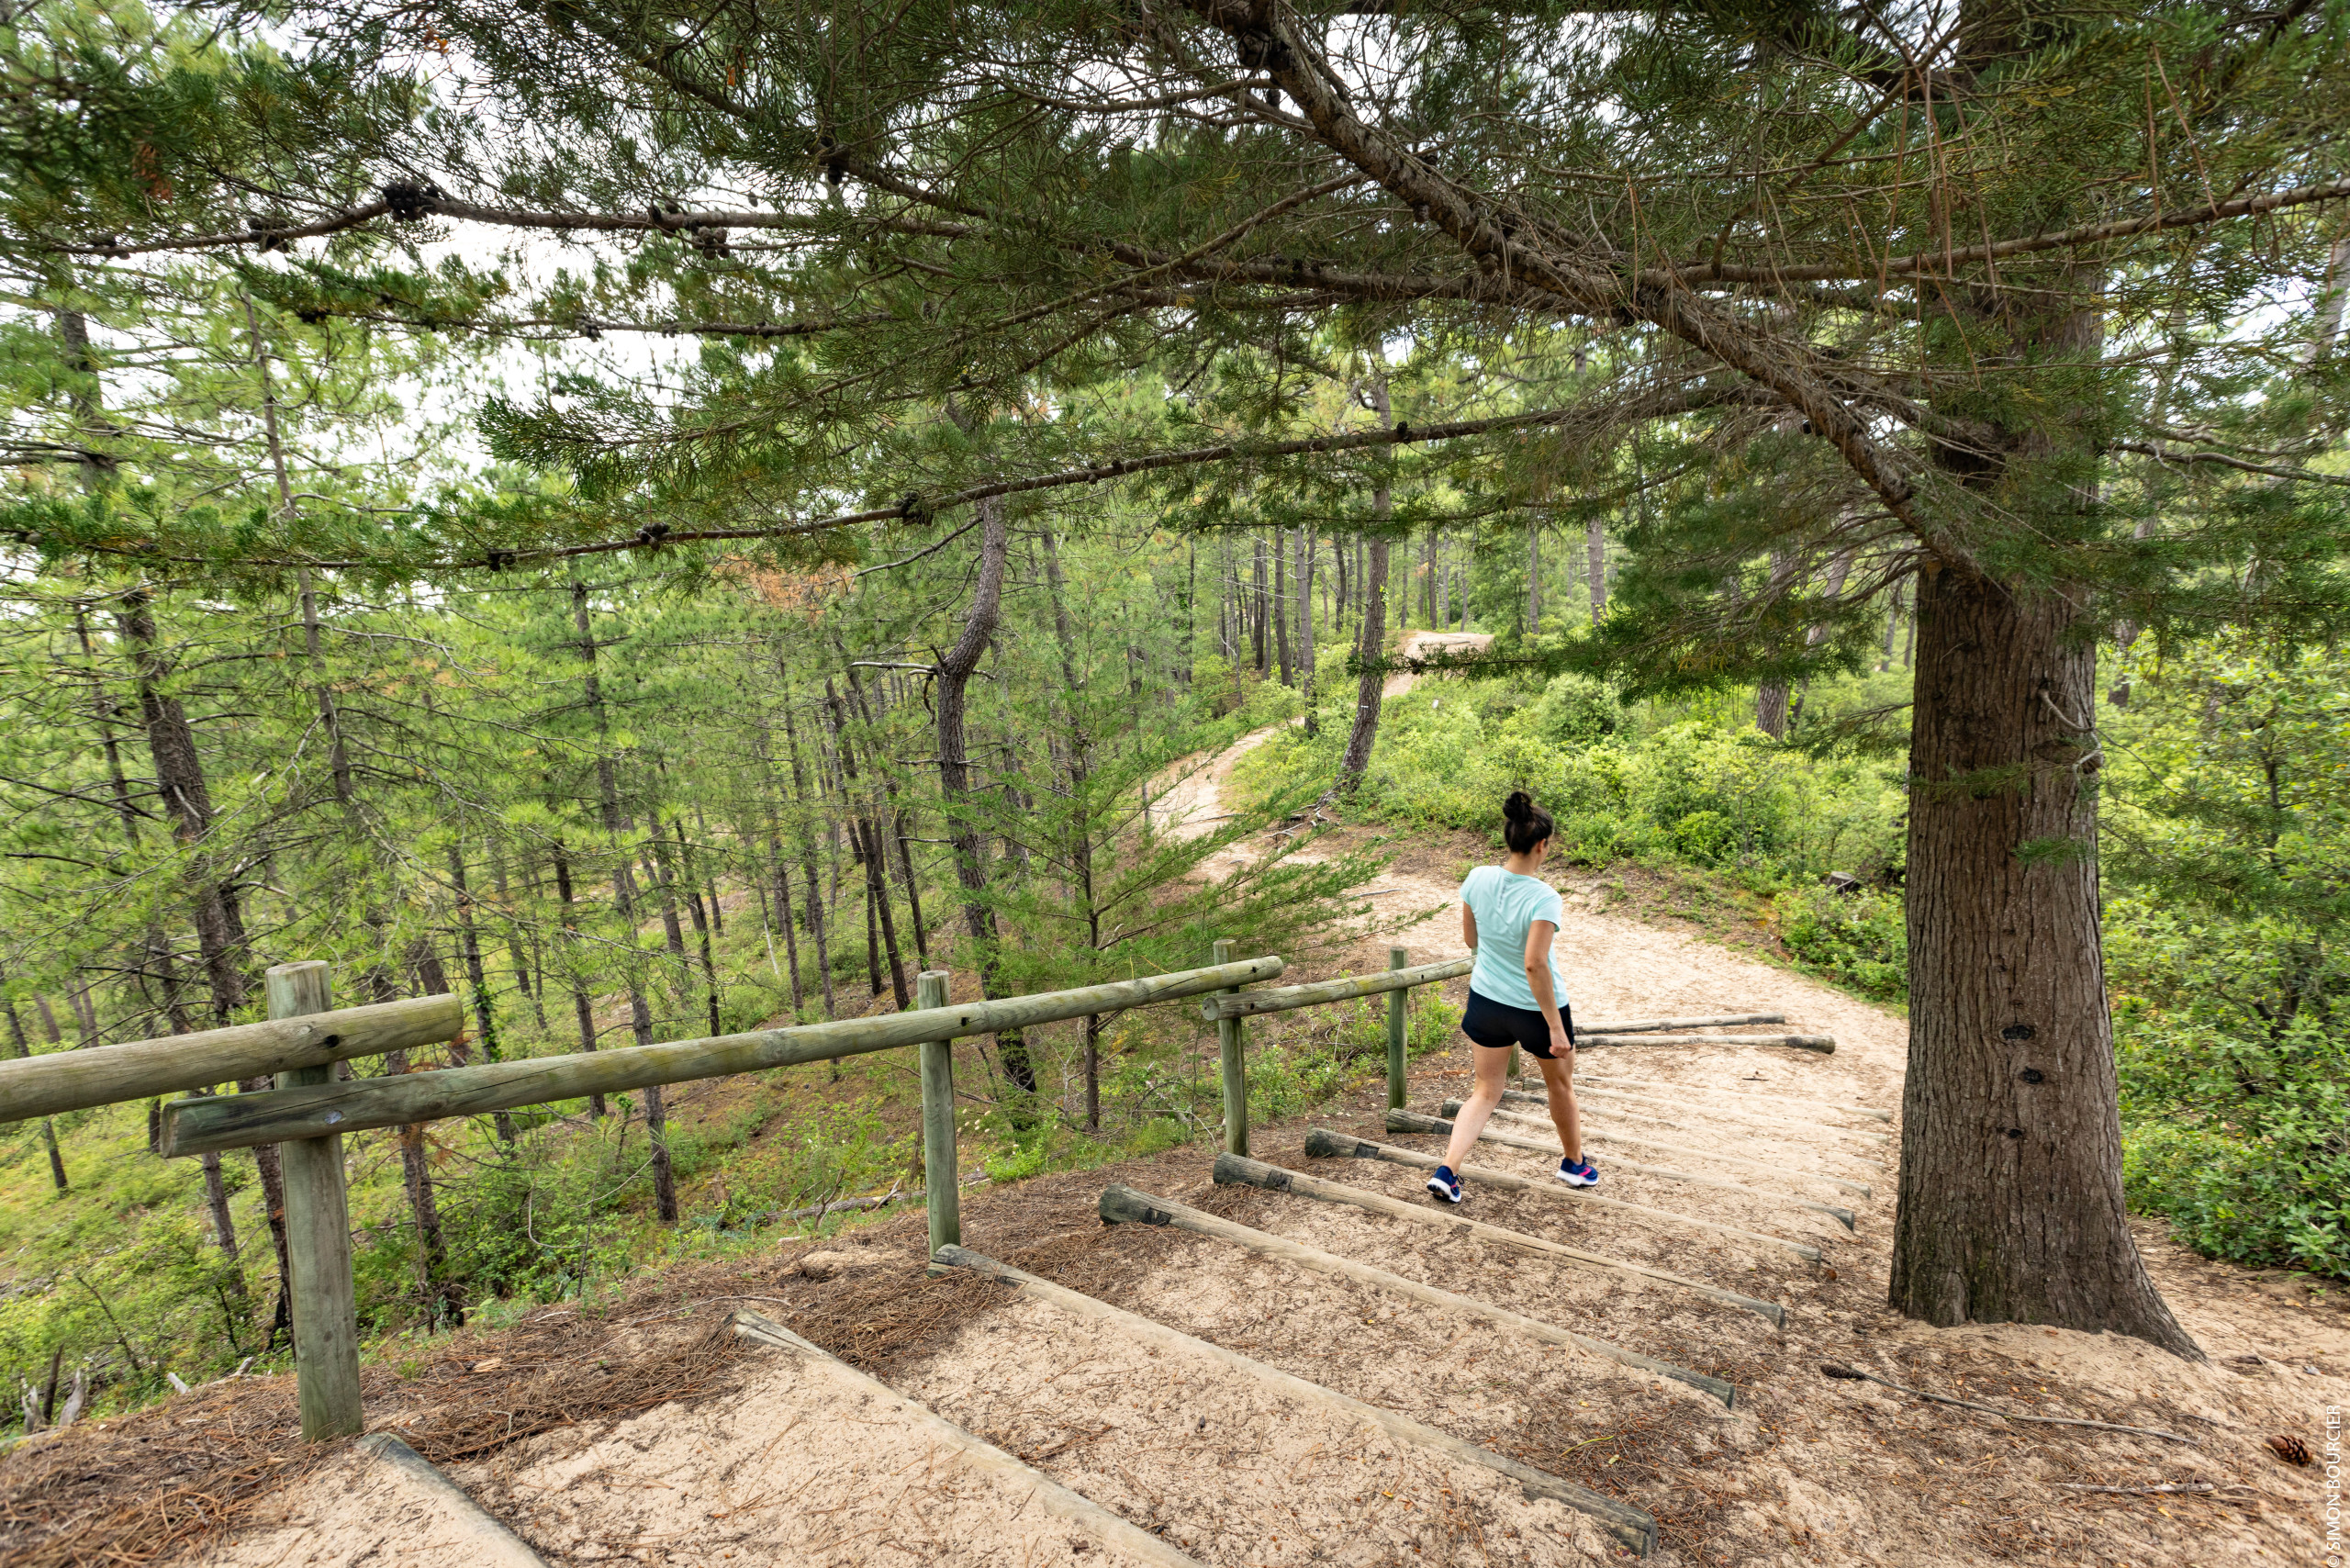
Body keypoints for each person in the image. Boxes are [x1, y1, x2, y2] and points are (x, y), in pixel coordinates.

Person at [1425, 790, 1597, 1204]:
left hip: (1486, 1001)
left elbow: (1471, 939)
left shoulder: (1477, 877)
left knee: (1485, 1090)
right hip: (1536, 1010)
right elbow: (1535, 965)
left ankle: (1447, 1171)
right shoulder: (1544, 897)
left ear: (1510, 837)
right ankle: (1574, 1164)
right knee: (1560, 1086)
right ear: (1542, 844)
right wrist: (1556, 1028)